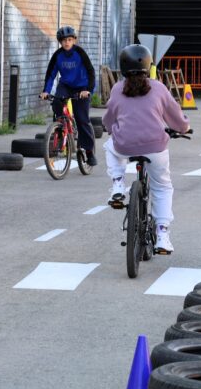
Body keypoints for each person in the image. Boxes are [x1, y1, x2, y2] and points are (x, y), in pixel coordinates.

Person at [102, 44, 190, 254]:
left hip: (124, 145)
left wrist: (109, 128)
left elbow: (109, 119)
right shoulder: (158, 88)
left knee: (110, 147)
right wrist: (184, 127)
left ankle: (118, 184)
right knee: (162, 187)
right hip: (155, 147)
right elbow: (175, 116)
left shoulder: (117, 89)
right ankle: (162, 235)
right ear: (149, 65)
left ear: (123, 67)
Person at [40, 26, 98, 166]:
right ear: (60, 42)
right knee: (56, 103)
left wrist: (88, 90)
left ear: (74, 40)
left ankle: (89, 151)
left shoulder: (80, 53)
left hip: (82, 87)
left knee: (82, 119)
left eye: (70, 40)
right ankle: (61, 128)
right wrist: (46, 91)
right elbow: (51, 74)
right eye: (64, 40)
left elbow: (91, 72)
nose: (67, 43)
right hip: (65, 86)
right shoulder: (57, 56)